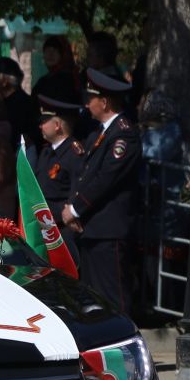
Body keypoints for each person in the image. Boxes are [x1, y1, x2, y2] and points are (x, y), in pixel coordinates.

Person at [63, 70, 140, 313]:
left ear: (104, 102)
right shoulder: (100, 133)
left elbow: (106, 179)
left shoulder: (123, 134)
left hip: (109, 230)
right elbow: (85, 175)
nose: (87, 103)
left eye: (91, 98)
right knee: (94, 299)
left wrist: (76, 208)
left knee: (112, 297)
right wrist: (74, 210)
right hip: (93, 227)